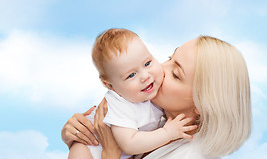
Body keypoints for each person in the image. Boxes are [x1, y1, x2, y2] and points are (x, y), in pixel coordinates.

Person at [62, 35, 252, 159]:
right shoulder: (155, 120)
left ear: (202, 104)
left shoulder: (189, 155)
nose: (159, 69)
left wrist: (110, 153)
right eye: (170, 58)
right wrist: (81, 134)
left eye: (176, 74)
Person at [68, 29, 197, 159]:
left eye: (147, 63)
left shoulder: (150, 95)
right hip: (90, 146)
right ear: (110, 86)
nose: (145, 76)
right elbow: (130, 144)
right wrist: (167, 133)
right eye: (131, 75)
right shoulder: (120, 104)